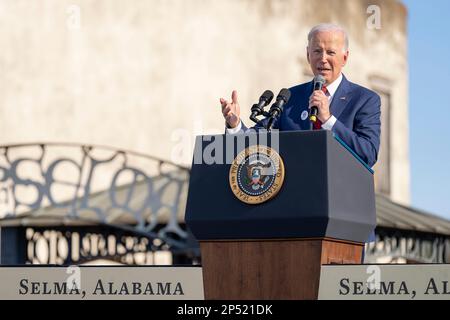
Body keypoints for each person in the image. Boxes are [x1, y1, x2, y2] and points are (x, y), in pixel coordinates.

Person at [220, 23, 381, 168]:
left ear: (344, 57)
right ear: (308, 55)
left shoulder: (364, 100)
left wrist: (328, 119)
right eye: (317, 51)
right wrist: (235, 126)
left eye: (330, 52)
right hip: (295, 194)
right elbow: (256, 140)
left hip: (340, 194)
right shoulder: (291, 97)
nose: (323, 59)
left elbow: (368, 154)